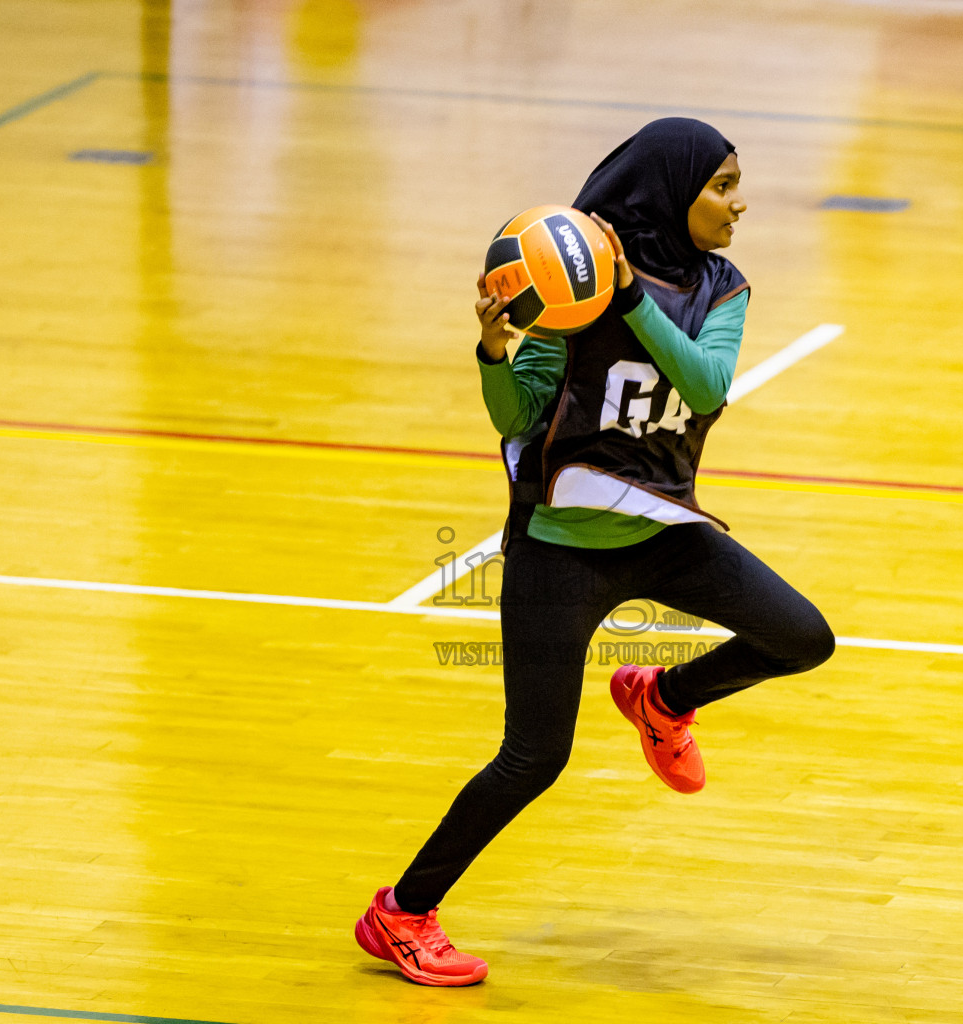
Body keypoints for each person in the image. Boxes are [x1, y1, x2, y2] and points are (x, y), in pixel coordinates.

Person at [354, 118, 835, 987]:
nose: (739, 202)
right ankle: (402, 913)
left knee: (802, 637)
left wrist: (629, 300)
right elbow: (516, 414)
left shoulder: (722, 287)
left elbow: (707, 385)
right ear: (670, 193)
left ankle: (663, 698)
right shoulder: (567, 284)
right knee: (534, 757)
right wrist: (496, 352)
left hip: (663, 531)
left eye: (735, 183)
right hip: (559, 549)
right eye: (722, 186)